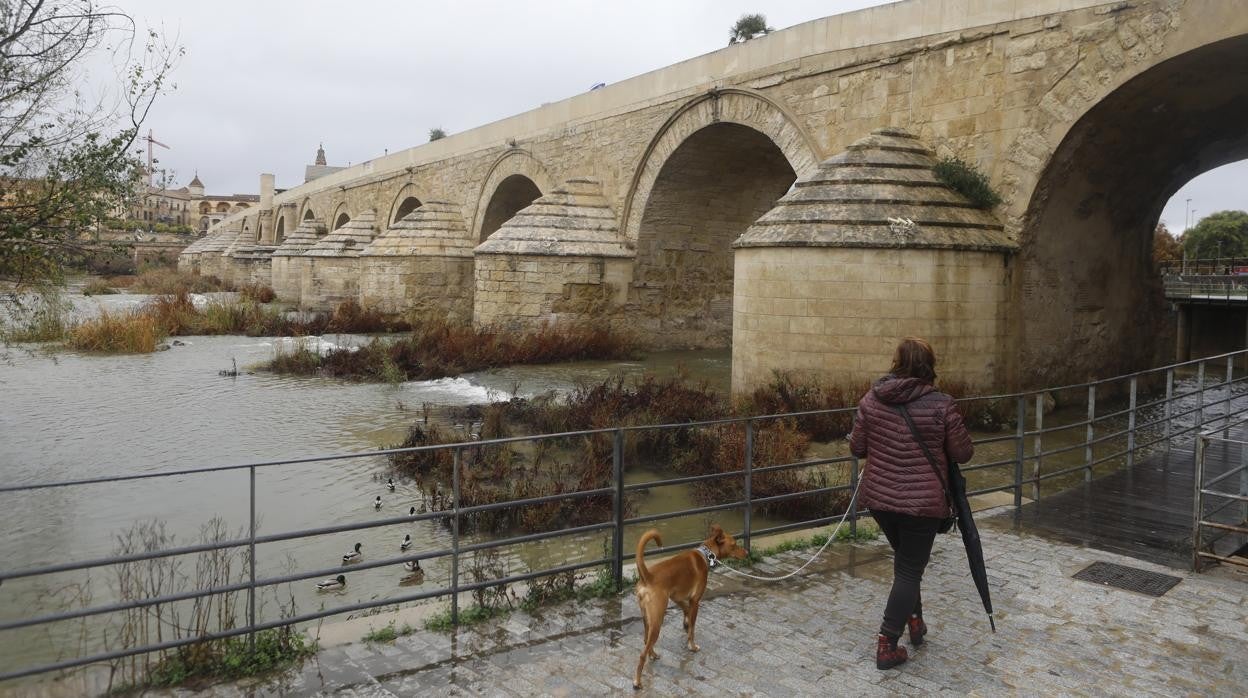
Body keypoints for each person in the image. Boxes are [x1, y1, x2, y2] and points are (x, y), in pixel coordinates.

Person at [849, 337, 974, 670]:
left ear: (896, 363)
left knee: (906, 565)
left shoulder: (872, 399)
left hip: (880, 500)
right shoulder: (941, 404)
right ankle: (887, 645)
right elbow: (963, 453)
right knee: (908, 569)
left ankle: (915, 622)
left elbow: (857, 448)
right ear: (929, 366)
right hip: (921, 506)